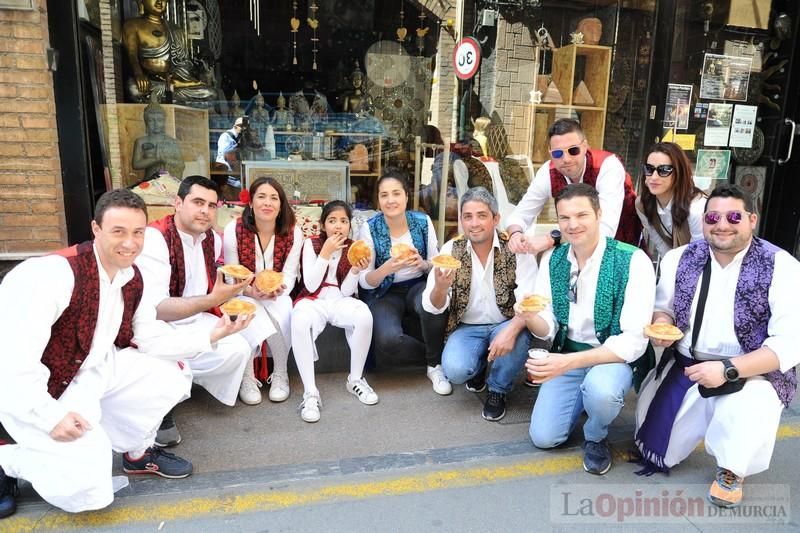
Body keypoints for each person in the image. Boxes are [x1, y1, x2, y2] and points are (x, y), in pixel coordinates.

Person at [0, 189, 246, 517]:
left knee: (172, 373)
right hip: (40, 387)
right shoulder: (51, 275)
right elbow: (11, 361)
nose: (130, 243)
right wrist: (48, 416)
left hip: (92, 371)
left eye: (138, 232)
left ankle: (138, 453)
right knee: (90, 491)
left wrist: (213, 334)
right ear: (96, 229)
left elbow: (151, 338)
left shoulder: (132, 277)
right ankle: (7, 458)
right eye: (118, 231)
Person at [633, 184, 800, 508]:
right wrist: (662, 323)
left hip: (751, 373)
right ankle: (701, 418)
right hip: (687, 365)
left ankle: (731, 470)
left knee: (748, 408)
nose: (722, 224)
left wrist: (728, 369)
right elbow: (664, 306)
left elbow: (790, 343)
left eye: (734, 216)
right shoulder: (679, 258)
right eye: (713, 217)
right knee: (654, 450)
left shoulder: (784, 267)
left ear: (752, 219)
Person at [521, 183, 655, 475]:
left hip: (611, 357)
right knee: (544, 438)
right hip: (566, 354)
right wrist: (529, 316)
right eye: (564, 218)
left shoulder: (633, 260)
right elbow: (548, 327)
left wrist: (566, 362)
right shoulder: (553, 259)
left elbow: (633, 343)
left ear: (598, 214)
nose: (573, 224)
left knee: (603, 393)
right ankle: (585, 398)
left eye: (581, 215)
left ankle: (596, 433)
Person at [136, 176, 263, 446]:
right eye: (197, 202)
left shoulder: (211, 240)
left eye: (211, 205)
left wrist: (245, 290)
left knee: (239, 347)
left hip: (197, 319)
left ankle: (183, 380)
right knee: (165, 355)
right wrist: (213, 299)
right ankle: (163, 405)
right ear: (178, 203)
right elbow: (157, 310)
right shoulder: (155, 238)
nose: (205, 210)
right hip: (159, 325)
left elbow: (215, 287)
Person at [422, 187, 536, 420]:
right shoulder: (450, 250)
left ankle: (498, 389)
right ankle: (480, 366)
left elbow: (530, 300)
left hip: (506, 322)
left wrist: (512, 331)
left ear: (496, 219)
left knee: (516, 340)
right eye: (468, 216)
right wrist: (440, 289)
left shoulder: (515, 249)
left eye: (482, 215)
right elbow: (433, 305)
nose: (474, 223)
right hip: (467, 327)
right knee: (454, 370)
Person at [358, 170, 450, 396]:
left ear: (406, 197)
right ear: (378, 200)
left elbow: (435, 263)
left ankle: (434, 367)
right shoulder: (369, 227)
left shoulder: (422, 221)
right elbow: (365, 280)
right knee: (388, 340)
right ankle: (438, 353)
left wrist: (423, 264)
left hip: (418, 283)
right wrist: (387, 268)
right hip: (384, 293)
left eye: (396, 193)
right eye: (384, 195)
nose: (391, 200)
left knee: (432, 303)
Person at [291, 200, 375, 422]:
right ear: (323, 224)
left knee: (364, 314)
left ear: (349, 225)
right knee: (299, 320)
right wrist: (325, 254)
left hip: (339, 299)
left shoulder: (353, 247)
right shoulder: (312, 244)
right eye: (332, 221)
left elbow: (347, 291)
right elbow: (309, 285)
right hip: (313, 299)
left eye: (343, 221)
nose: (338, 226)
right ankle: (310, 392)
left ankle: (355, 379)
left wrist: (356, 270)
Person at [506, 118, 641, 256]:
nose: (566, 159)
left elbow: (605, 229)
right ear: (550, 152)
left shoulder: (607, 166)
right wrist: (516, 235)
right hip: (575, 254)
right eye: (557, 153)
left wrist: (550, 239)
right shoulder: (548, 172)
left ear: (585, 146)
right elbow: (519, 216)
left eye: (573, 150)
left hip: (622, 251)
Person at [223, 176, 304, 404]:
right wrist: (250, 291)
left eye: (273, 198)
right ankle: (246, 377)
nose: (267, 203)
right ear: (251, 203)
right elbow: (232, 274)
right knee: (247, 310)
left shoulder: (293, 233)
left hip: (279, 292)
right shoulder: (234, 230)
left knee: (283, 309)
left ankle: (280, 373)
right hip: (241, 291)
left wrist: (276, 290)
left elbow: (289, 272)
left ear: (281, 205)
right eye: (261, 197)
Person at [122, 0, 214, 103]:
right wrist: (138, 73)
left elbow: (182, 63)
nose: (159, 2)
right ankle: (170, 99)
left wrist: (179, 81)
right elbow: (131, 54)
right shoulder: (132, 25)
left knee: (209, 93)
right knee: (133, 88)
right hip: (150, 82)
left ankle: (159, 99)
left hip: (171, 82)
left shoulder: (176, 30)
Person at [635, 142, 706, 259]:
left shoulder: (696, 208)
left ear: (679, 173)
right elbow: (660, 244)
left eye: (664, 170)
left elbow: (699, 254)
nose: (654, 177)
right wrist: (670, 267)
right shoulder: (642, 204)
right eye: (649, 169)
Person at [132, 93, 185, 181]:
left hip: (169, 181)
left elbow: (181, 164)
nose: (156, 124)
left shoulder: (172, 141)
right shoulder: (141, 141)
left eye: (159, 120)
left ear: (164, 121)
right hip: (149, 181)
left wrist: (165, 160)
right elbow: (136, 164)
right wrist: (156, 159)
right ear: (146, 122)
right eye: (152, 120)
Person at [216, 117, 247, 188]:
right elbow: (226, 154)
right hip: (226, 173)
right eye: (242, 126)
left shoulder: (241, 137)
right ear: (235, 126)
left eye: (245, 126)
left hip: (237, 173)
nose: (244, 128)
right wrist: (238, 147)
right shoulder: (226, 136)